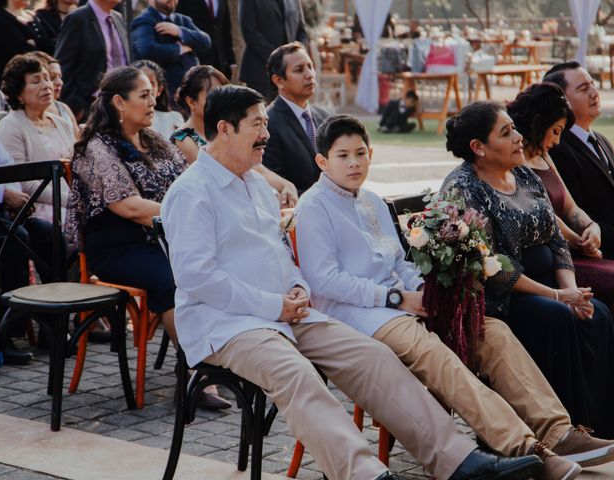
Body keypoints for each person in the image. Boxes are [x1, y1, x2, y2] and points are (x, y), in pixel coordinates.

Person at [161, 83, 544, 480]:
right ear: (224, 129)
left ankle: (456, 461)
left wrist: (297, 288)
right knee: (296, 374)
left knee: (375, 358)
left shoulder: (256, 184)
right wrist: (275, 305)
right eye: (258, 124)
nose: (266, 134)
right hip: (227, 323)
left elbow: (281, 255)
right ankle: (366, 475)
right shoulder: (191, 193)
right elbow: (197, 278)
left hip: (288, 312)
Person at [295, 113, 614, 477]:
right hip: (362, 316)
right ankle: (526, 448)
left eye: (360, 153)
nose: (354, 163)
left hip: (406, 303)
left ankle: (557, 432)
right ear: (322, 161)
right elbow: (325, 281)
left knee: (488, 330)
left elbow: (400, 260)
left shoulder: (370, 199)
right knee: (437, 355)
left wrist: (423, 293)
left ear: (371, 153)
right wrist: (397, 299)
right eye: (342, 155)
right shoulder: (314, 206)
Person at [441, 101, 614, 440]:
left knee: (598, 314)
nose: (519, 137)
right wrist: (557, 296)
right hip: (502, 299)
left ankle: (602, 424)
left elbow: (555, 237)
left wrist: (571, 291)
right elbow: (492, 267)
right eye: (507, 133)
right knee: (557, 317)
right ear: (478, 147)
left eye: (514, 129)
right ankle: (566, 429)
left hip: (551, 285)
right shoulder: (464, 188)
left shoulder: (522, 173)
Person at [64, 66, 229, 410]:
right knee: (174, 279)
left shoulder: (154, 140)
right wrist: (190, 215)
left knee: (218, 265)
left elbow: (190, 184)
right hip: (117, 246)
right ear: (119, 103)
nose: (154, 101)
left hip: (163, 237)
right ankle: (199, 375)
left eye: (152, 93)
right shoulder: (98, 148)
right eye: (144, 95)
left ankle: (228, 355)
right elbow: (130, 208)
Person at [507, 82, 614, 310]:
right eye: (555, 131)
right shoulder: (513, 161)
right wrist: (579, 242)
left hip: (575, 251)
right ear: (539, 123)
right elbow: (545, 215)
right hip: (552, 260)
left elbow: (569, 207)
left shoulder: (545, 155)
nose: (557, 141)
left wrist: (591, 226)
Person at [0, 98, 55, 365]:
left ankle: (52, 324)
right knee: (16, 239)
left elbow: (1, 159)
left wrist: (13, 192)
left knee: (47, 233)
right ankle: (4, 331)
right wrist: (2, 193)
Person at [172, 65, 298, 207]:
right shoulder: (184, 140)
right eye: (213, 93)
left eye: (224, 90)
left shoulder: (245, 157)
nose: (221, 98)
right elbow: (214, 179)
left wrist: (287, 186)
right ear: (191, 102)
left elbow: (255, 168)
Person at [544, 61, 614, 259]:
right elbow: (574, 217)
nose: (595, 92)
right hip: (597, 254)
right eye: (584, 89)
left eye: (593, 84)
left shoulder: (601, 140)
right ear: (562, 102)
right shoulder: (556, 149)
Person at [0, 54, 74, 222]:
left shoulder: (60, 122)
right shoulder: (11, 125)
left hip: (72, 201)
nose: (46, 85)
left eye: (47, 79)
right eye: (36, 81)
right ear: (19, 94)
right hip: (39, 208)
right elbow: (22, 181)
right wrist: (70, 201)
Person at [263, 42, 330, 194]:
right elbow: (275, 182)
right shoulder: (267, 123)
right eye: (299, 70)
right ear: (279, 80)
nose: (309, 75)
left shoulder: (326, 117)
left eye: (310, 67)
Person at [54, 0, 129, 121]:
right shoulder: (77, 19)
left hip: (122, 107)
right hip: (91, 109)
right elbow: (63, 67)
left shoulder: (118, 17)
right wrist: (76, 108)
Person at [130, 0, 210, 105]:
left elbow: (205, 41)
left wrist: (179, 31)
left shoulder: (183, 20)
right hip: (166, 94)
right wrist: (180, 49)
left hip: (192, 88)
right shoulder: (143, 20)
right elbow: (147, 50)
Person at [239, 0, 307, 98]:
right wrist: (277, 57)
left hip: (292, 73)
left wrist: (297, 55)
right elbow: (249, 30)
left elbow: (302, 32)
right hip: (260, 71)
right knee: (262, 112)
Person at [0, 0, 50, 85]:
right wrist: (34, 44)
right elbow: (23, 52)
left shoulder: (32, 17)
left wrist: (35, 42)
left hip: (37, 83)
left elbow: (50, 47)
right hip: (9, 86)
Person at [175, 0, 235, 78]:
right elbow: (179, 24)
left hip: (220, 59)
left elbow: (226, 29)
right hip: (197, 59)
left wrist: (231, 61)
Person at [28, 51, 79, 137]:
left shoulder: (64, 108)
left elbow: (77, 139)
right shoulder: (29, 113)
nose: (60, 82)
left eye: (60, 77)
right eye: (52, 77)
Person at [133, 59, 183, 139]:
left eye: (151, 83)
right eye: (139, 83)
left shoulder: (174, 119)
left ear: (160, 89)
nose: (146, 88)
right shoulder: (125, 120)